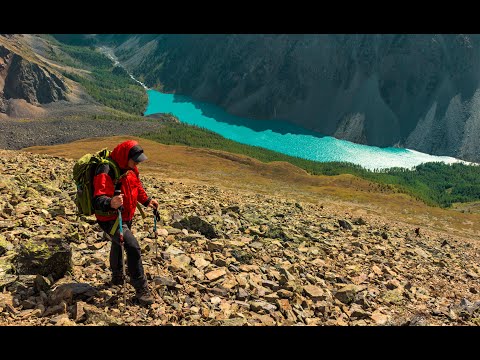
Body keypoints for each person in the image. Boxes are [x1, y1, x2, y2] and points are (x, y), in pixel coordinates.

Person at [92, 139, 159, 306]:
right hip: (110, 219)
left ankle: (117, 276)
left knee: (118, 243)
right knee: (133, 246)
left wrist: (147, 201)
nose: (137, 163)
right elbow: (98, 199)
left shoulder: (131, 169)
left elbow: (137, 187)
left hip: (126, 215)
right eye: (135, 160)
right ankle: (141, 289)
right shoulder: (106, 169)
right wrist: (110, 203)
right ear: (126, 156)